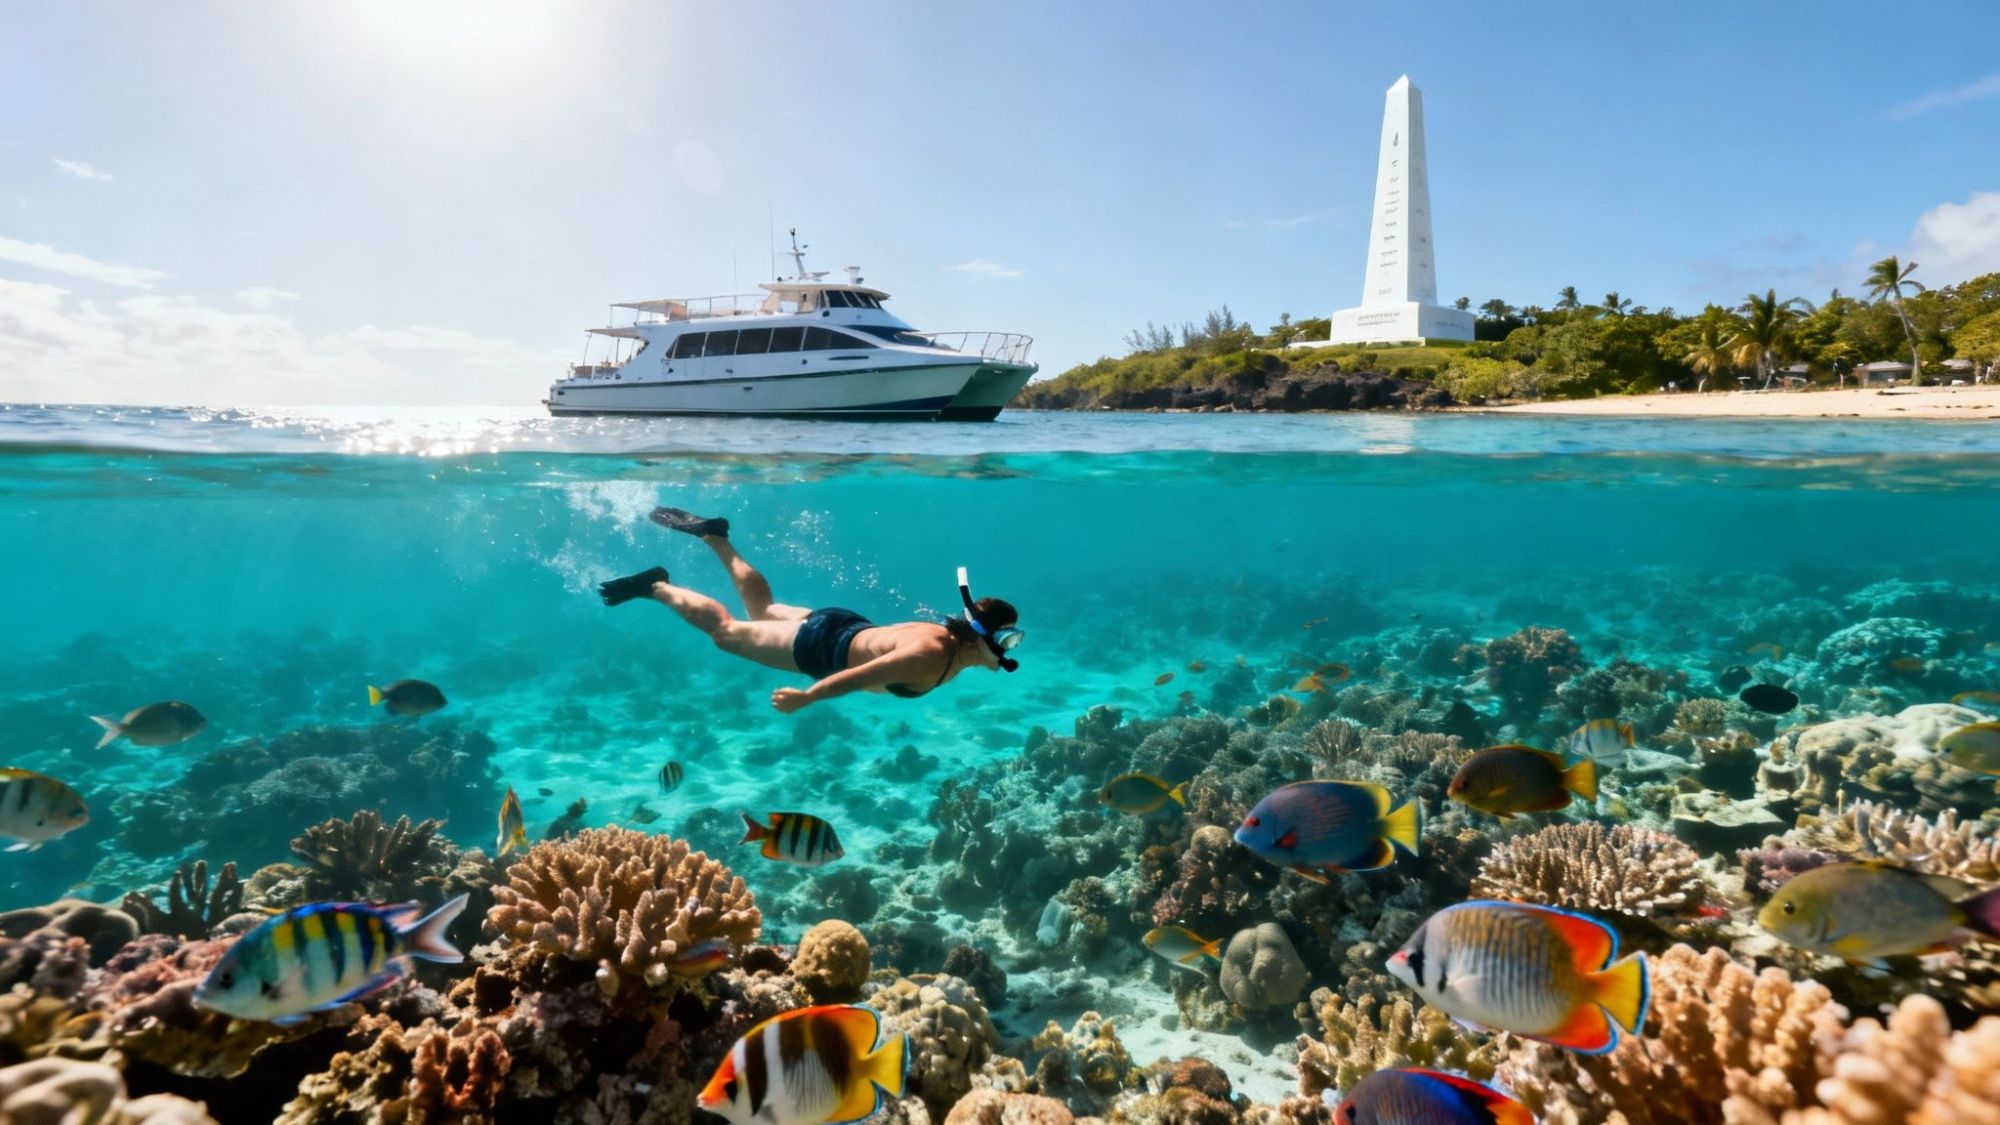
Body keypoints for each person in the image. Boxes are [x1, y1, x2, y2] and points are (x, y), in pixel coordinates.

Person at [599, 507, 1022, 713]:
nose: (1010, 648)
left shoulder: (946, 641)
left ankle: (715, 537)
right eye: (1008, 638)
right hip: (820, 648)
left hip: (842, 624)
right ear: (985, 636)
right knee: (726, 633)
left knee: (763, 609)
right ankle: (656, 586)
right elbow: (857, 677)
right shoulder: (929, 655)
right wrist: (808, 697)